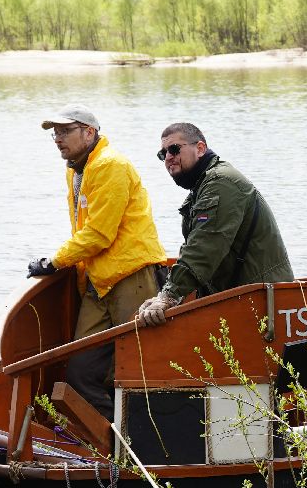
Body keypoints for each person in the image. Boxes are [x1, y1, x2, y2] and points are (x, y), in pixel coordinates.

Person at [30, 107, 167, 420]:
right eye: (55, 133)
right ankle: (113, 443)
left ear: (89, 132)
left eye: (65, 131)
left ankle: (143, 447)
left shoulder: (110, 165)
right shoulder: (77, 170)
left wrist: (54, 261)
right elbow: (85, 231)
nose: (57, 139)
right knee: (81, 372)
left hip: (131, 276)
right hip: (98, 280)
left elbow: (99, 233)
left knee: (137, 369)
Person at [136, 122, 292, 326]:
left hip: (264, 303)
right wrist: (165, 294)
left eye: (174, 149)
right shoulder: (202, 186)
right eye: (162, 153)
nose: (168, 158)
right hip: (240, 299)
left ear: (200, 148)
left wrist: (168, 296)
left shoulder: (220, 183)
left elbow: (203, 248)